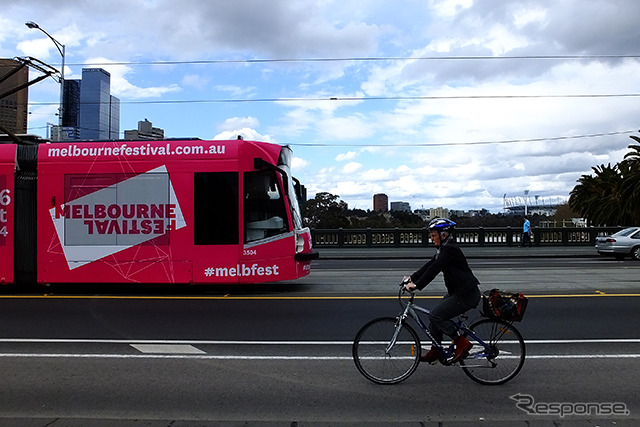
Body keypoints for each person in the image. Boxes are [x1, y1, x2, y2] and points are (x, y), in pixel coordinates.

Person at [403, 218, 481, 364]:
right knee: (434, 317)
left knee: (436, 315)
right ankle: (436, 350)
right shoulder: (444, 249)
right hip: (458, 292)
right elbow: (430, 265)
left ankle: (462, 343)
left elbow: (434, 269)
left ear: (443, 235)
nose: (432, 239)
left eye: (433, 236)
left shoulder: (449, 249)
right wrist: (411, 278)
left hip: (467, 294)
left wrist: (417, 285)